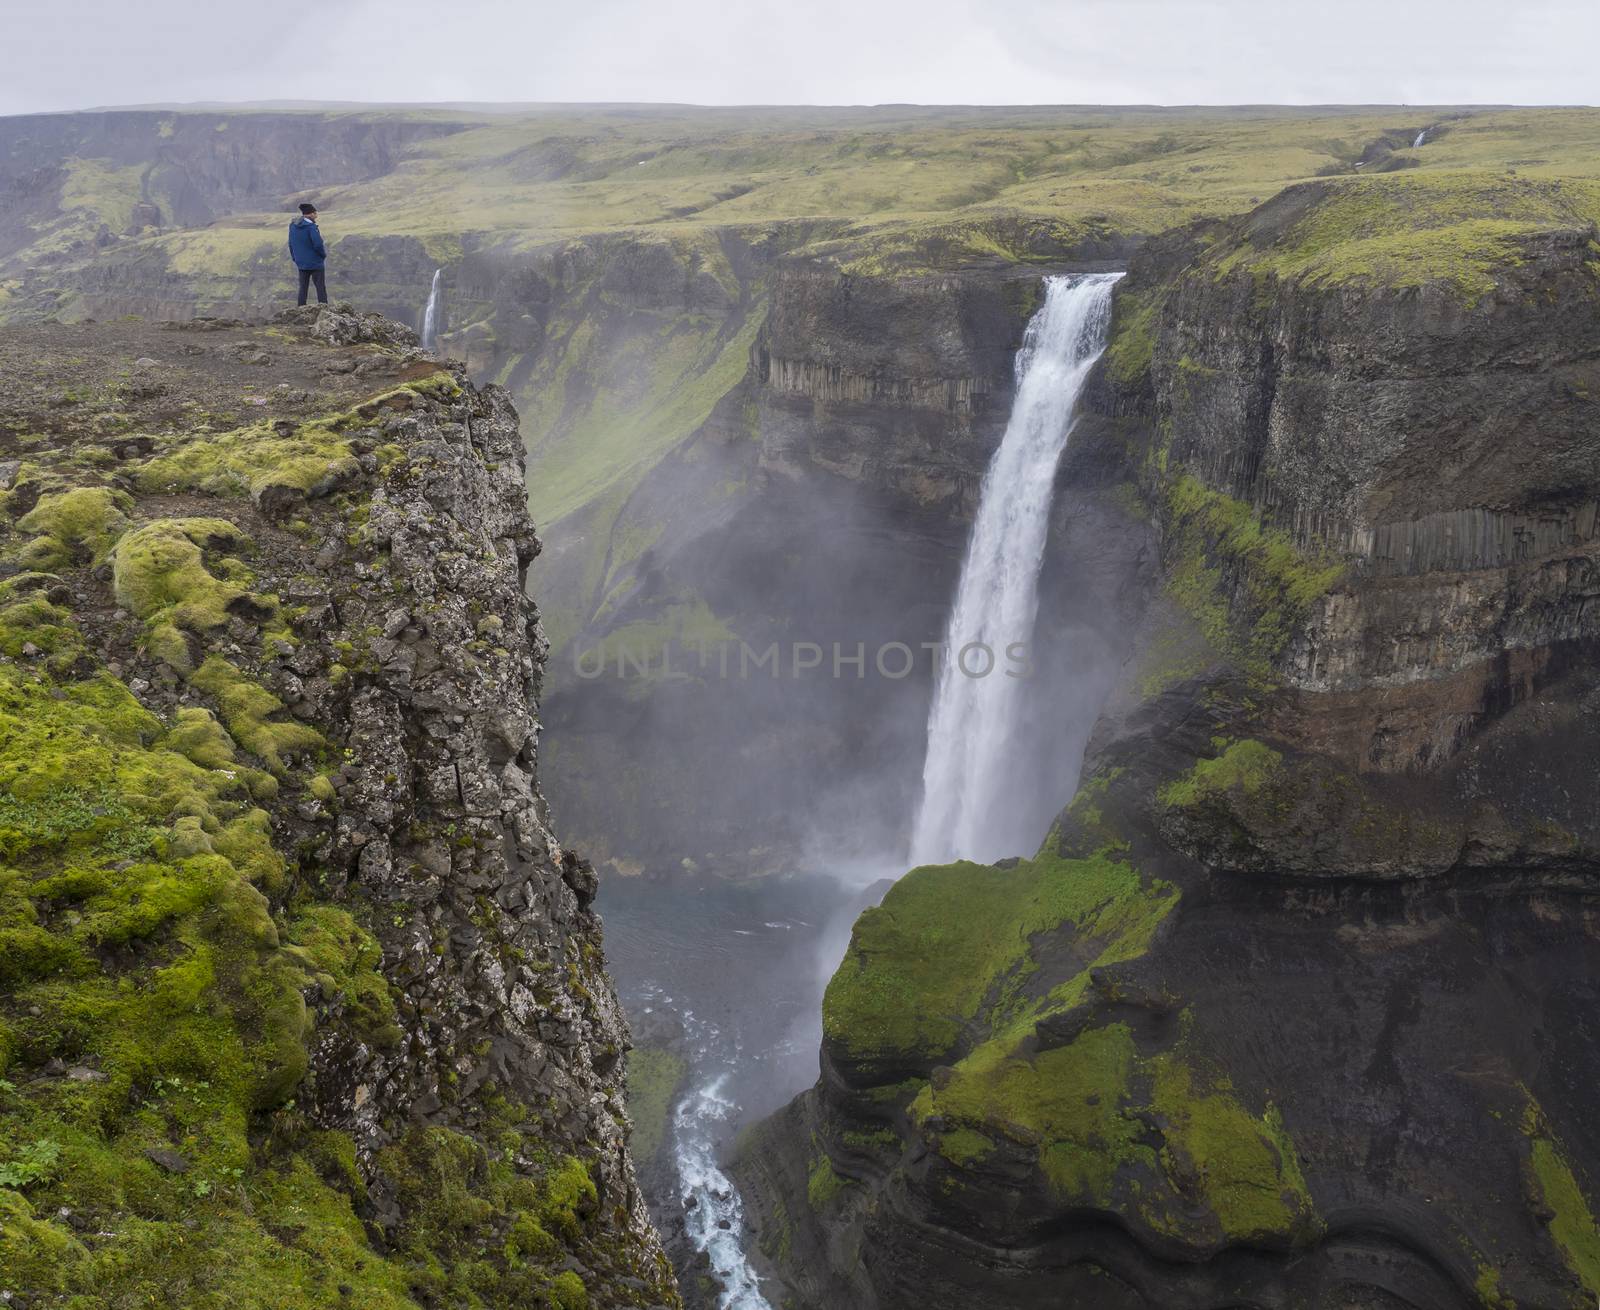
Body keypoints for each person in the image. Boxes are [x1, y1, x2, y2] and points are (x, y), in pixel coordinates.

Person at [288, 202, 328, 305]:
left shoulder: (293, 226)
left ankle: (300, 309)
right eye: (315, 213)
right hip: (315, 262)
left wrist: (295, 258)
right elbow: (318, 244)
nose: (316, 216)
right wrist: (322, 255)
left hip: (301, 262)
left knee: (303, 288)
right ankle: (324, 308)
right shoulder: (311, 227)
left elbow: (291, 243)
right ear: (310, 214)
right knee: (320, 287)